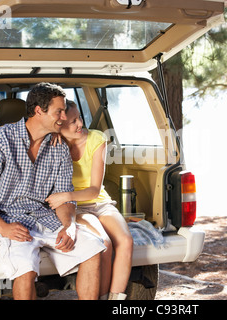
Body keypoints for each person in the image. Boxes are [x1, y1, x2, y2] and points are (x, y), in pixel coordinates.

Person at [0, 83, 106, 300]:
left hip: (45, 218)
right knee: (25, 268)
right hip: (8, 219)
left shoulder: (59, 146)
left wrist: (68, 226)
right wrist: (2, 227)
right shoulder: (1, 139)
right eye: (58, 111)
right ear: (39, 111)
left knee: (93, 249)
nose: (64, 117)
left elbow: (64, 195)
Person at [45, 100, 133, 300]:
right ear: (58, 125)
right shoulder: (52, 143)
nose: (79, 125)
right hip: (74, 208)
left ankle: (116, 298)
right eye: (72, 122)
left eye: (79, 118)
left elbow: (94, 190)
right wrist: (67, 199)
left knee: (126, 241)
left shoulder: (97, 138)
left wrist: (67, 195)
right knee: (104, 243)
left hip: (99, 201)